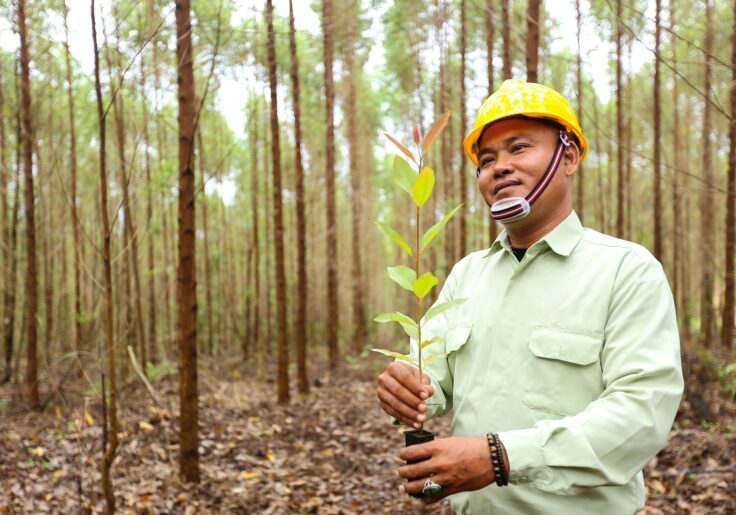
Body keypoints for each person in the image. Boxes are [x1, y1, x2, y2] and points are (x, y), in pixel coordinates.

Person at [376, 79, 684, 514]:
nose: (499, 167)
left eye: (519, 148)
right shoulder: (467, 275)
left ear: (569, 156)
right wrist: (405, 383)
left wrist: (501, 458)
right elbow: (431, 379)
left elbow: (641, 416)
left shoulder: (626, 271)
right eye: (487, 160)